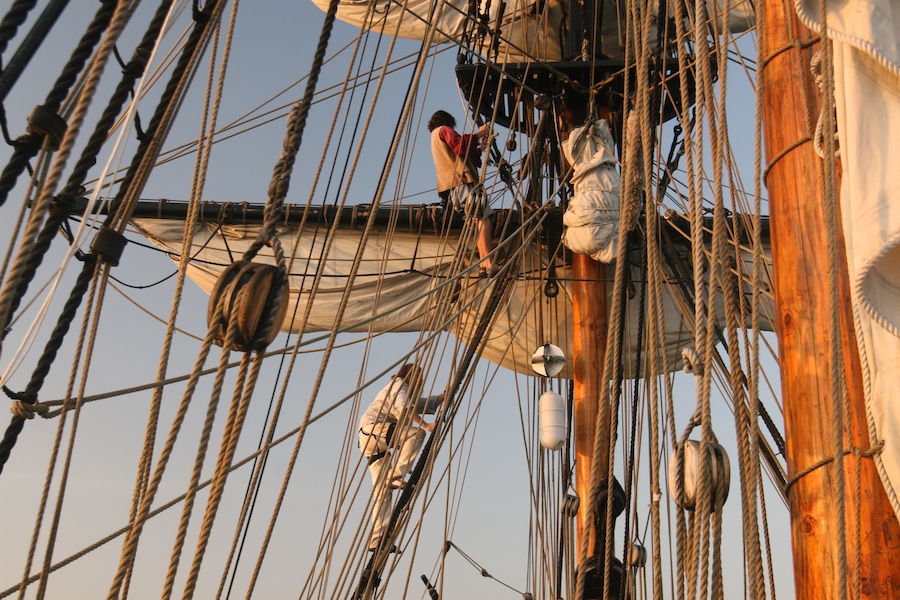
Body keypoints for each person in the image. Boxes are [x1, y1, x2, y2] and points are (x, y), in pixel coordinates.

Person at [358, 364, 443, 551]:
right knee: (416, 435)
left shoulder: (402, 390)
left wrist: (442, 398)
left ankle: (378, 538)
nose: (422, 381)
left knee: (383, 491)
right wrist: (427, 426)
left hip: (372, 442)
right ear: (410, 375)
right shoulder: (399, 385)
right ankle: (396, 475)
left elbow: (418, 404)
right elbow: (405, 408)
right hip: (374, 429)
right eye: (420, 377)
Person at [428, 110, 497, 276]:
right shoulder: (444, 130)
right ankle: (487, 262)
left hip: (452, 188)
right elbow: (460, 146)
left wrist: (481, 147)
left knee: (477, 220)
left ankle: (483, 265)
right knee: (483, 220)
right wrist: (481, 132)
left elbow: (462, 154)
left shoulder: (435, 137)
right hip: (461, 182)